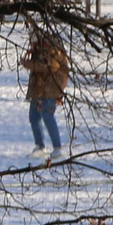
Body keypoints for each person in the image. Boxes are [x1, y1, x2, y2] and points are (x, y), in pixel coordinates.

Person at [21, 31, 69, 160]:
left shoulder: (54, 51)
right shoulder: (39, 51)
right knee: (34, 116)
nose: (33, 44)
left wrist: (29, 65)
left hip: (51, 89)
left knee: (47, 116)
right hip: (39, 89)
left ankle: (57, 148)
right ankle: (40, 146)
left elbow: (50, 67)